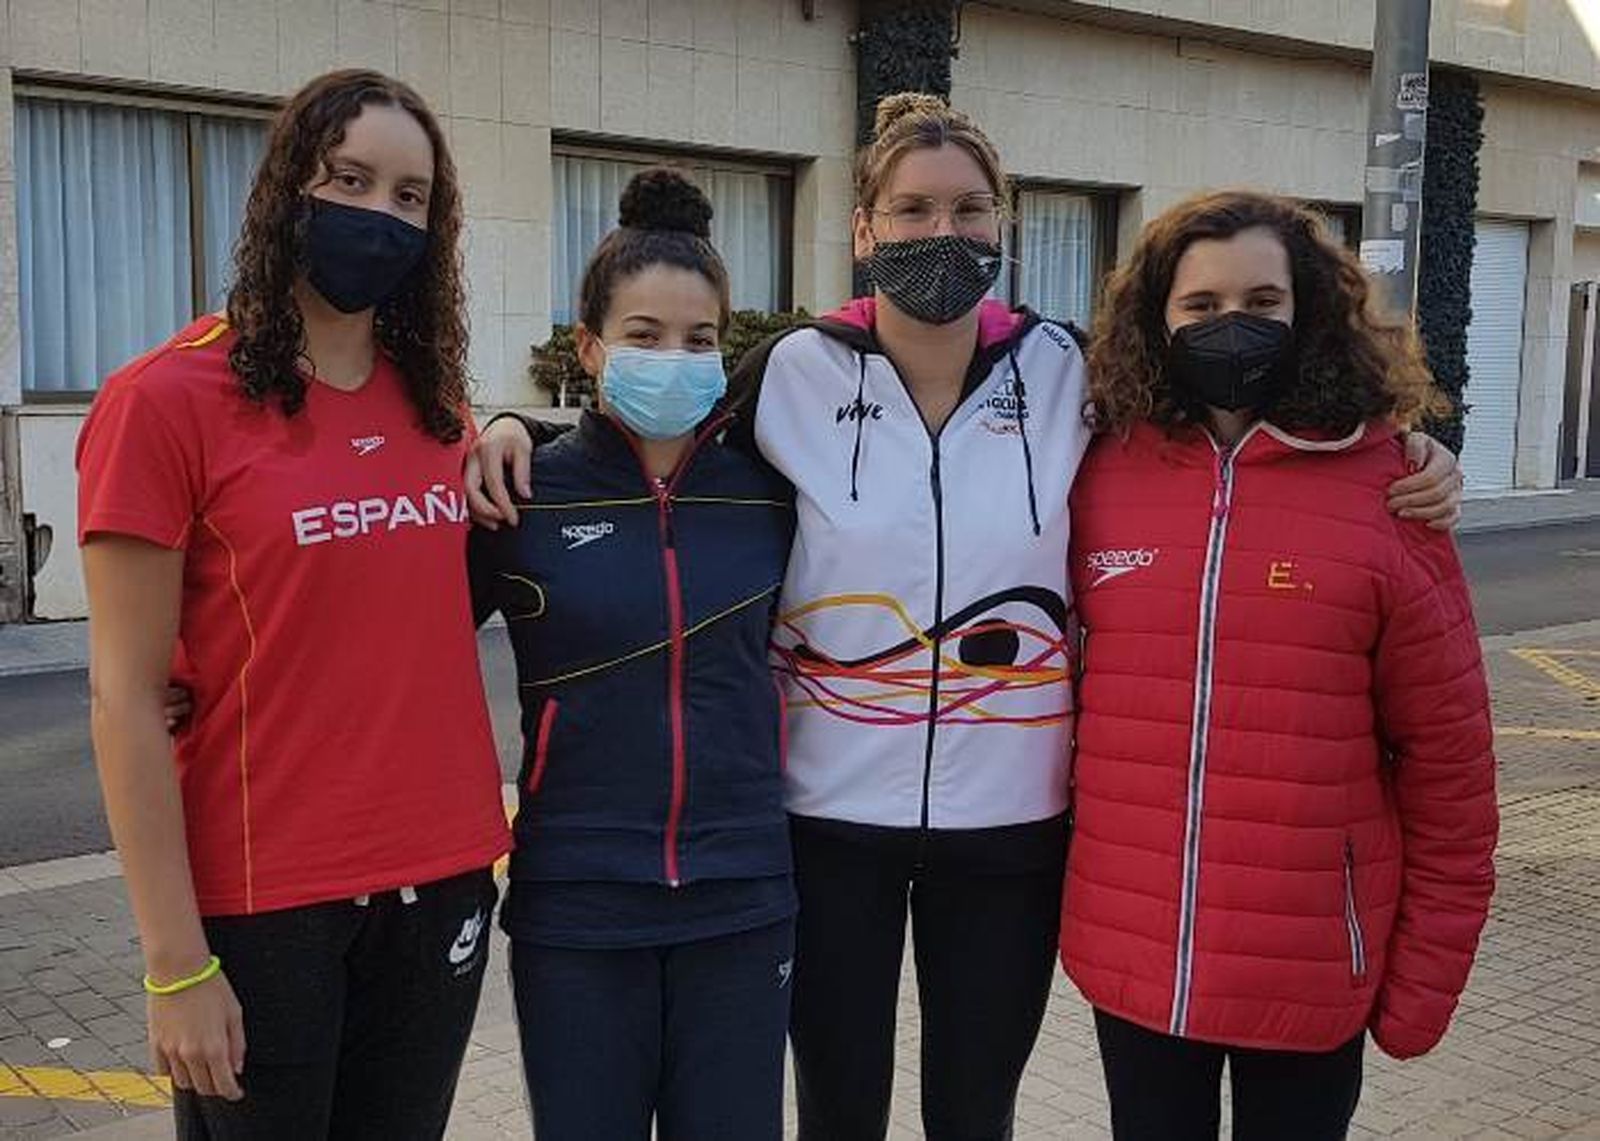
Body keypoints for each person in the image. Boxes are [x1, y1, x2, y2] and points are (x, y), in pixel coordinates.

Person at [467, 95, 1466, 1141]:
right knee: (839, 1110)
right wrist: (512, 427)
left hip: (1010, 822)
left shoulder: (1070, 371)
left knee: (974, 1112)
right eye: (912, 210)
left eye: (969, 209)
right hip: (828, 816)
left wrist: (1401, 448)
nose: (942, 233)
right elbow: (653, 447)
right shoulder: (794, 370)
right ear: (865, 230)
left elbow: (1223, 436)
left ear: (1003, 224)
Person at [77, 70, 508, 1140]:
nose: (380, 215)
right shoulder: (163, 401)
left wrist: (510, 427)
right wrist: (175, 964)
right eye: (349, 180)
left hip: (443, 879)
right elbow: (123, 700)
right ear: (285, 192)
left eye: (410, 196)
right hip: (264, 900)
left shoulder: (438, 407)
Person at [1062, 190, 1498, 1140]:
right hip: (1136, 958)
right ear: (1157, 319)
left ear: (1308, 311)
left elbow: (1451, 767)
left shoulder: (1392, 488)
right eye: (1202, 305)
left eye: (1263, 303)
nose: (1233, 325)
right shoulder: (1095, 469)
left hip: (1310, 965)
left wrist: (1426, 979)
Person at [469, 168, 796, 1140]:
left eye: (699, 339)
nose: (674, 359)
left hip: (743, 895)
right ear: (589, 346)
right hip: (578, 904)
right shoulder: (523, 495)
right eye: (644, 336)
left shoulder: (772, 492)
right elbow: (400, 652)